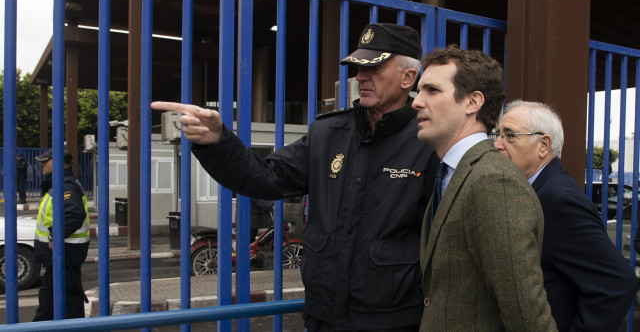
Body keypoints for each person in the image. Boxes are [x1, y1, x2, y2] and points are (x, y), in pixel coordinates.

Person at [152, 22, 439, 331]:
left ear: (408, 77)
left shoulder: (430, 141)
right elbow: (265, 176)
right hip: (322, 317)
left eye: (374, 67)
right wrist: (218, 141)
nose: (361, 77)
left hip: (394, 321)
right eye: (357, 67)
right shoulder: (328, 133)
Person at [412, 45, 557, 331]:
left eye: (432, 90)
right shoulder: (452, 175)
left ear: (472, 102)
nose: (416, 102)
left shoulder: (493, 182)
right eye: (419, 91)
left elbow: (526, 312)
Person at [494, 100, 637, 331]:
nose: (498, 144)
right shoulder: (535, 189)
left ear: (543, 145)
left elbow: (617, 282)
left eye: (509, 135)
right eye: (497, 134)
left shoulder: (559, 199)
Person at [33, 149, 90, 321]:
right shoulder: (59, 184)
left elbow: (74, 214)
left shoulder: (65, 186)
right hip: (63, 252)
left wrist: (54, 237)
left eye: (46, 161)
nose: (42, 165)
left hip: (65, 252)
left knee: (50, 300)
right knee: (68, 298)